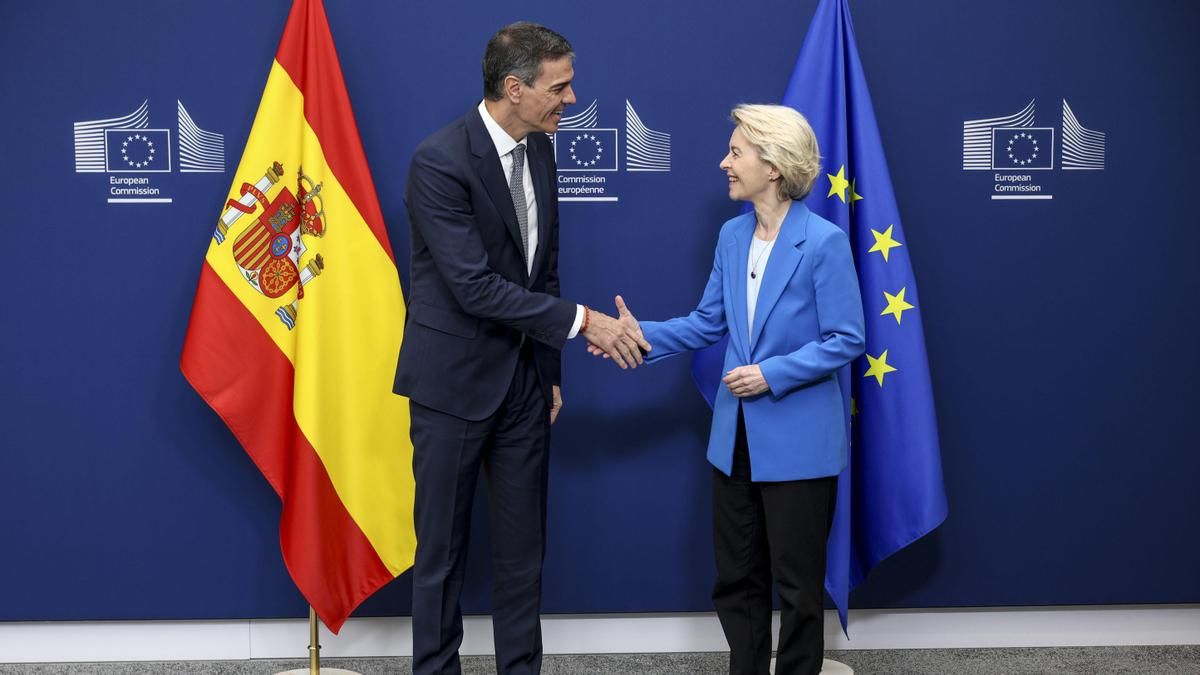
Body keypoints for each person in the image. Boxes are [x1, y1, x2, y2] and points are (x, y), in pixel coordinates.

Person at [393, 22, 650, 675]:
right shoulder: (439, 161)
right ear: (514, 87)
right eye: (559, 87)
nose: (571, 99)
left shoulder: (541, 150)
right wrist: (585, 322)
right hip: (451, 387)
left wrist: (550, 370)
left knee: (522, 556)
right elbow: (475, 287)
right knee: (442, 554)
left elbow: (544, 271)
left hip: (524, 388)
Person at [593, 104, 865, 675]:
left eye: (736, 152)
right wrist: (641, 336)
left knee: (796, 585)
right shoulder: (732, 234)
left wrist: (773, 373)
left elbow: (847, 338)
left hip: (798, 443)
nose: (725, 162)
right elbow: (708, 322)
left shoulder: (823, 242)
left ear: (774, 164)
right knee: (736, 577)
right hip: (733, 439)